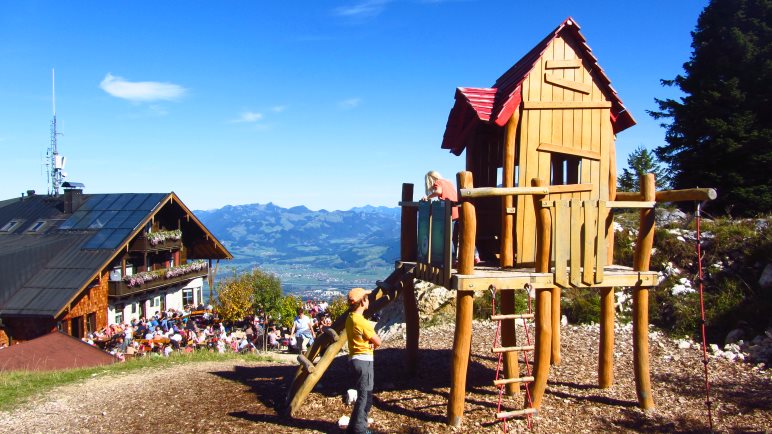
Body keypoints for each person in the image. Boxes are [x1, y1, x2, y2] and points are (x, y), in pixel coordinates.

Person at [421, 171, 480, 263]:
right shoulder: (448, 182)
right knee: (464, 235)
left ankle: (452, 259)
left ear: (431, 179)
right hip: (458, 211)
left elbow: (438, 191)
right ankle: (475, 255)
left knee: (450, 237)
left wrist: (427, 197)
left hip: (450, 213)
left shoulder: (439, 182)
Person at [345, 287, 381, 434]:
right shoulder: (362, 322)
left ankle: (353, 427)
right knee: (365, 398)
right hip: (364, 360)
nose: (368, 300)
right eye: (366, 298)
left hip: (354, 358)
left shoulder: (350, 318)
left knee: (362, 395)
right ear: (362, 302)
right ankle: (360, 429)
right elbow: (378, 341)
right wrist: (373, 343)